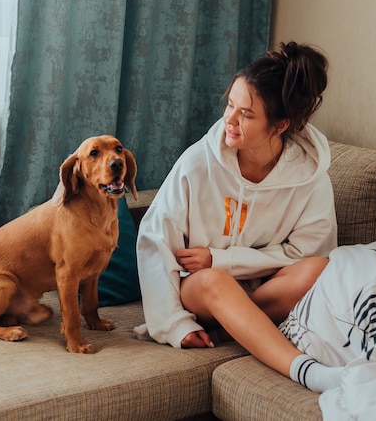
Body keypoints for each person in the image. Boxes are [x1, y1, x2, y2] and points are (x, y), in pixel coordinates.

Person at [136, 41, 341, 391]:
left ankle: (234, 324)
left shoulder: (310, 180)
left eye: (246, 114)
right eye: (231, 104)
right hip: (200, 290)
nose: (229, 120)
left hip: (265, 291)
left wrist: (223, 258)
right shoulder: (198, 163)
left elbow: (305, 255)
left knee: (319, 269)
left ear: (280, 125)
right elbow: (156, 239)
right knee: (215, 280)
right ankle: (303, 369)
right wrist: (174, 324)